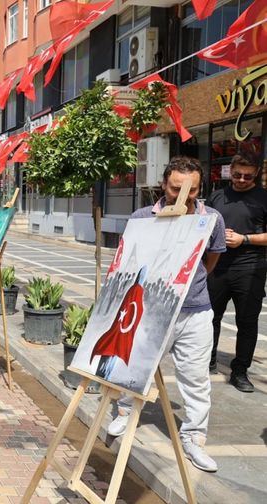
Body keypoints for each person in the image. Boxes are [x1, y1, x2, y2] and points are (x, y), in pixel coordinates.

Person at [108, 156, 225, 473]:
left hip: (195, 312)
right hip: (150, 310)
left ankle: (194, 438)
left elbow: (211, 259)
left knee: (196, 379)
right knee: (132, 366)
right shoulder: (144, 217)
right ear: (163, 185)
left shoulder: (211, 218)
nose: (184, 196)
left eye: (192, 190)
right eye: (176, 189)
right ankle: (123, 412)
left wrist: (191, 284)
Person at [206, 154, 267, 393]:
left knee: (247, 322)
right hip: (217, 266)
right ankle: (207, 361)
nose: (241, 180)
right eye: (237, 174)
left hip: (250, 268)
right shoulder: (217, 196)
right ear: (230, 171)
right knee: (209, 318)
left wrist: (245, 239)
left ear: (257, 173)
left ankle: (240, 372)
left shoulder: (263, 198)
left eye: (248, 176)